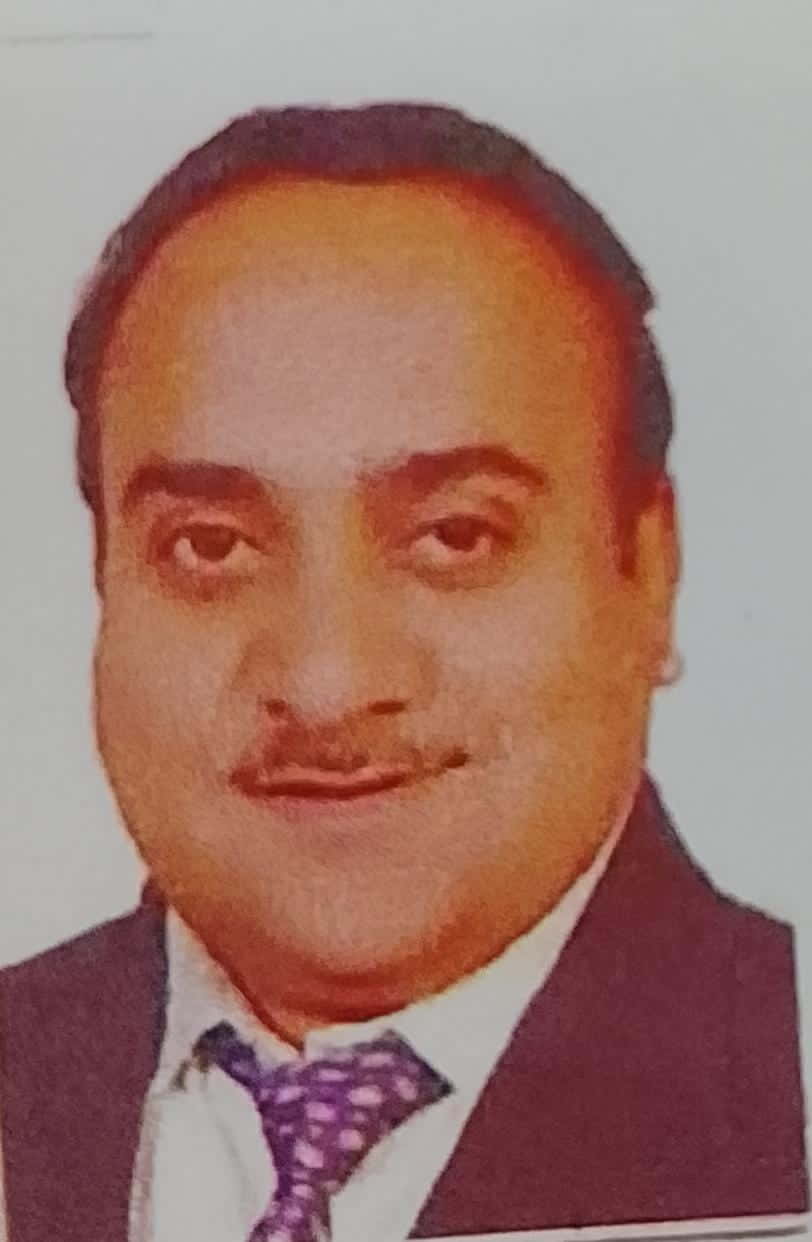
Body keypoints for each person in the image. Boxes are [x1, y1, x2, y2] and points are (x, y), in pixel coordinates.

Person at [0, 102, 806, 1242]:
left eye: (455, 537)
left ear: (650, 571)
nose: (326, 683)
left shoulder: (779, 1085)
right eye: (210, 546)